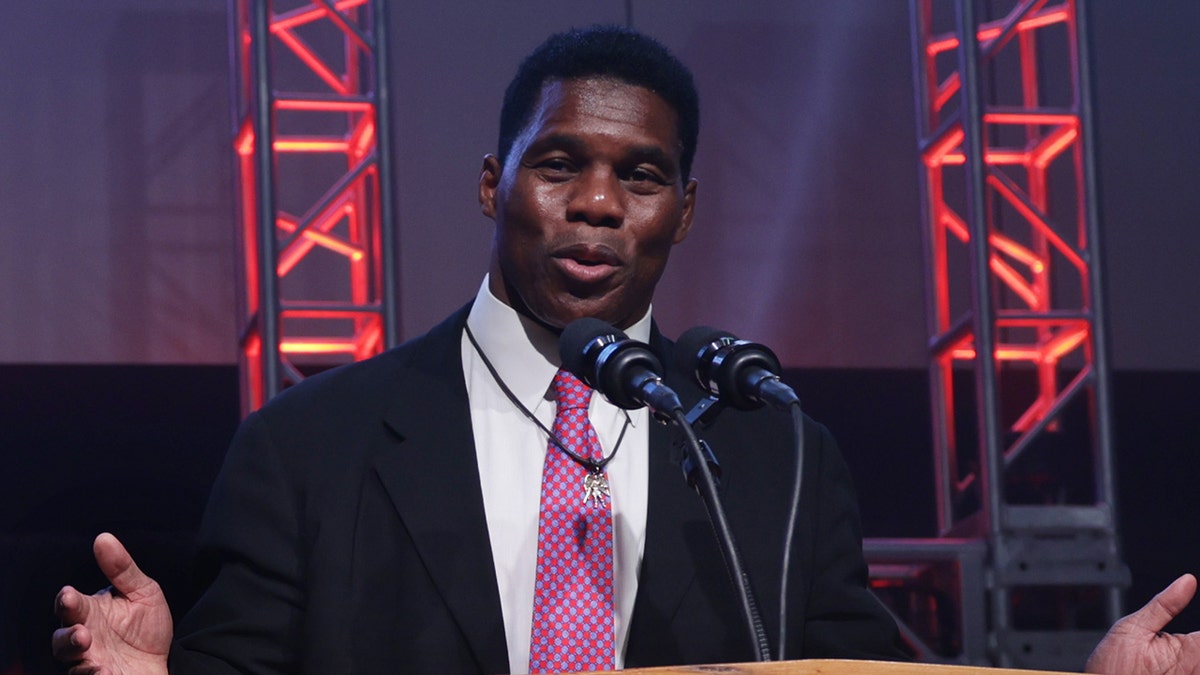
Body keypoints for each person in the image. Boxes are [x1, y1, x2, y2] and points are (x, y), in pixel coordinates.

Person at [51, 25, 1200, 675]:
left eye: (640, 176)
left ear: (685, 211)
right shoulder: (308, 446)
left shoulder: (772, 450)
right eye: (560, 166)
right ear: (495, 183)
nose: (598, 205)